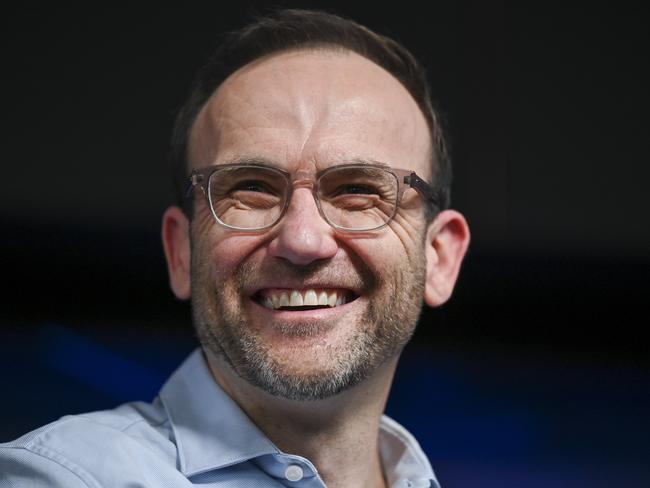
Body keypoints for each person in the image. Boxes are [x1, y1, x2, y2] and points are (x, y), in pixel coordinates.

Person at [0, 8, 469, 488]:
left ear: (440, 258)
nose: (302, 240)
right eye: (251, 189)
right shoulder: (62, 477)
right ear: (181, 251)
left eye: (358, 191)